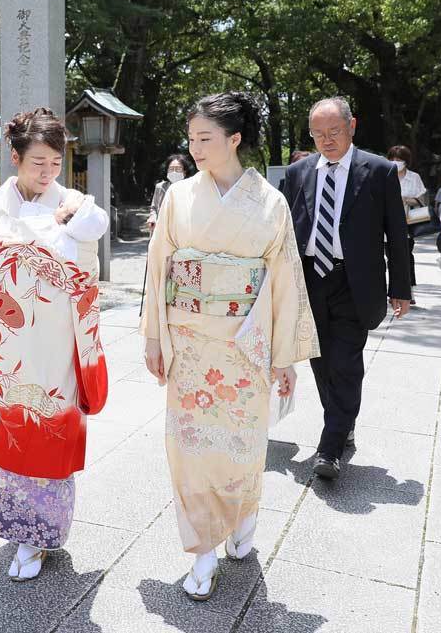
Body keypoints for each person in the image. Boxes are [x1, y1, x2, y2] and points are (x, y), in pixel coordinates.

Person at [141, 92, 318, 602]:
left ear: (234, 139)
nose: (194, 148)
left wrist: (284, 356)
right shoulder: (178, 197)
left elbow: (284, 279)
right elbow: (160, 268)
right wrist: (154, 335)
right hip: (191, 345)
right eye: (192, 138)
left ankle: (242, 514)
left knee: (241, 444)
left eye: (205, 138)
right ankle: (201, 550)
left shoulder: (269, 202)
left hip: (244, 346)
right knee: (189, 446)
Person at [0, 107, 110, 582]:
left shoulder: (75, 206)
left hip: (54, 345)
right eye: (37, 161)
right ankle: (18, 531)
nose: (47, 172)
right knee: (9, 432)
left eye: (55, 162)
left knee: (47, 427)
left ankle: (40, 536)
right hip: (2, 349)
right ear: (14, 157)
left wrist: (65, 238)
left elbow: (87, 276)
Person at [283, 97, 411, 483]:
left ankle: (330, 447)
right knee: (319, 360)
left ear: (351, 126)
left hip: (354, 282)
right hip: (309, 279)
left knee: (346, 363)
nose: (327, 140)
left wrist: (401, 287)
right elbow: (283, 232)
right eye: (318, 134)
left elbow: (397, 235)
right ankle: (342, 422)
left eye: (334, 131)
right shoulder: (298, 173)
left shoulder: (379, 171)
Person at [387, 145, 427, 305]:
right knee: (390, 258)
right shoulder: (384, 174)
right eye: (394, 159)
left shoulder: (414, 177)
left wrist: (405, 199)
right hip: (386, 224)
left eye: (400, 160)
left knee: (406, 258)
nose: (396, 162)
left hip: (407, 223)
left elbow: (422, 200)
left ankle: (409, 291)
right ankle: (393, 291)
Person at [148, 153, 196, 232]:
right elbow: (154, 208)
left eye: (178, 169)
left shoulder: (192, 188)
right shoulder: (160, 187)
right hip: (162, 230)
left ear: (185, 171)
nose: (174, 172)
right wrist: (152, 217)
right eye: (171, 169)